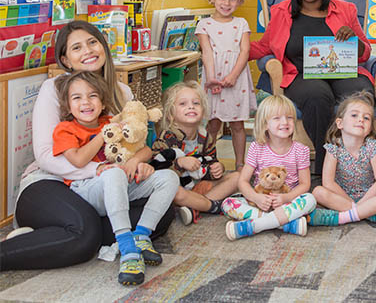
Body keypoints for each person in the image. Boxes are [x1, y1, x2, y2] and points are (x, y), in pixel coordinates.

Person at [0, 21, 174, 272]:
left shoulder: (122, 92)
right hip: (50, 182)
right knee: (86, 233)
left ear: (103, 46)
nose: (88, 51)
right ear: (66, 60)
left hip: (104, 184)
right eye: (77, 47)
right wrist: (99, 170)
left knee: (162, 211)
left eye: (92, 42)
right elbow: (46, 156)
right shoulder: (56, 88)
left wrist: (136, 162)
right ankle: (57, 235)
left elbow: (143, 147)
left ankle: (47, 235)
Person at [249, 0, 374, 174]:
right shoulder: (281, 12)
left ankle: (360, 163)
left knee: (359, 93)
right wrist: (230, 48)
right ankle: (326, 169)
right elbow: (263, 46)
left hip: (343, 72)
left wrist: (354, 38)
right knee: (318, 95)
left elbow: (365, 52)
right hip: (300, 75)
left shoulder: (346, 9)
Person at [51, 71, 179, 285]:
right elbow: (78, 159)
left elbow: (146, 150)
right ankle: (126, 244)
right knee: (114, 173)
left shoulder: (112, 121)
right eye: (77, 98)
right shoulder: (65, 129)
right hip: (87, 191)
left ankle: (141, 234)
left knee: (169, 177)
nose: (86, 102)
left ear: (102, 102)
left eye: (93, 96)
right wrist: (103, 134)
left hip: (120, 185)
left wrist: (135, 162)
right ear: (67, 104)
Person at [221, 95, 317, 240]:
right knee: (227, 204)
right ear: (265, 124)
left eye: (290, 117)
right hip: (260, 203)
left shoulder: (301, 150)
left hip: (287, 203)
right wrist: (256, 197)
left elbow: (305, 184)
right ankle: (284, 223)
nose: (285, 122)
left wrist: (286, 197)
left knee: (310, 200)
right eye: (277, 118)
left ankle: (256, 225)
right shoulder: (256, 147)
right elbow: (243, 181)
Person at [152, 81, 240, 225]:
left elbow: (211, 162)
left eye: (196, 103)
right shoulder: (166, 137)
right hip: (179, 191)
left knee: (237, 177)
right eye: (183, 104)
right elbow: (156, 169)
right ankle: (209, 206)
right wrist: (179, 163)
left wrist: (218, 168)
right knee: (177, 193)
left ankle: (194, 207)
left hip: (199, 187)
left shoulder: (206, 136)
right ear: (170, 114)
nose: (191, 106)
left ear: (203, 111)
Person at [308, 92, 376, 227]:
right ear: (340, 123)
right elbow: (328, 183)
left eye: (366, 118)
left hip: (369, 195)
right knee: (318, 192)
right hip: (342, 196)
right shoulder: (334, 148)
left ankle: (340, 217)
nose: (361, 120)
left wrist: (362, 203)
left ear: (369, 129)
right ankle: (372, 214)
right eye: (354, 115)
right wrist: (354, 204)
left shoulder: (372, 147)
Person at [196, 0, 256, 171]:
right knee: (213, 124)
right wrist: (212, 78)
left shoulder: (241, 24)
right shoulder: (204, 24)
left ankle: (240, 164)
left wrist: (232, 76)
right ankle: (209, 162)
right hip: (214, 77)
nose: (226, 3)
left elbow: (245, 51)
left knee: (237, 124)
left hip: (236, 78)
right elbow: (207, 52)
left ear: (239, 0)